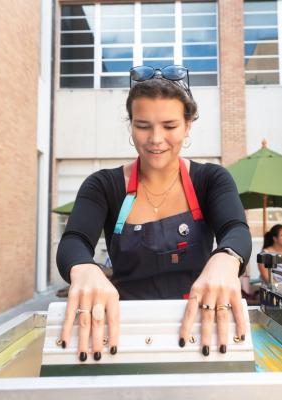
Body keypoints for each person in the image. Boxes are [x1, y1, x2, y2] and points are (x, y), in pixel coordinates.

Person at [57, 65, 252, 362]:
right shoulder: (103, 185)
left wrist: (226, 258)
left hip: (204, 328)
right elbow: (74, 241)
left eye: (170, 126)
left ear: (187, 126)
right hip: (121, 333)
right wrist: (84, 269)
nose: (155, 139)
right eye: (143, 125)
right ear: (131, 125)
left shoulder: (211, 180)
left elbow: (236, 229)